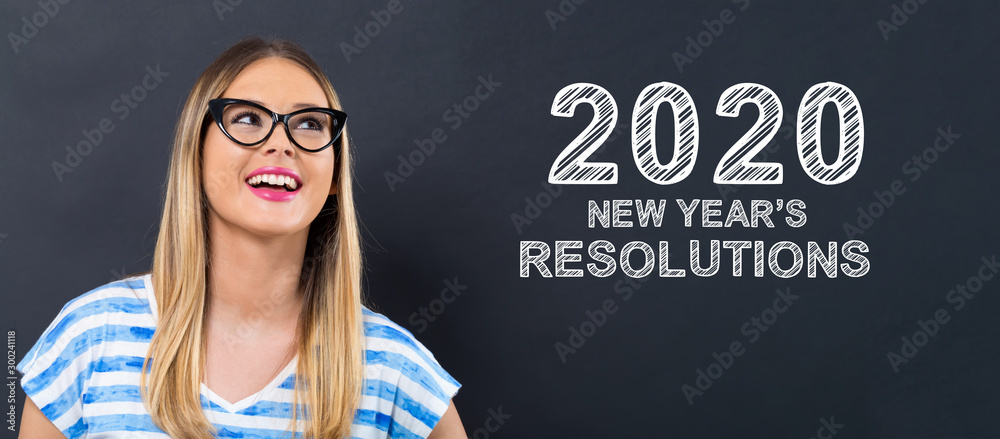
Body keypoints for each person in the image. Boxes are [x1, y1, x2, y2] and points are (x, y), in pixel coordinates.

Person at [16, 35, 466, 438]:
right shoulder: (91, 337)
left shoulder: (392, 365)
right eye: (248, 118)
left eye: (310, 123)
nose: (281, 143)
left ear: (334, 174)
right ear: (196, 153)